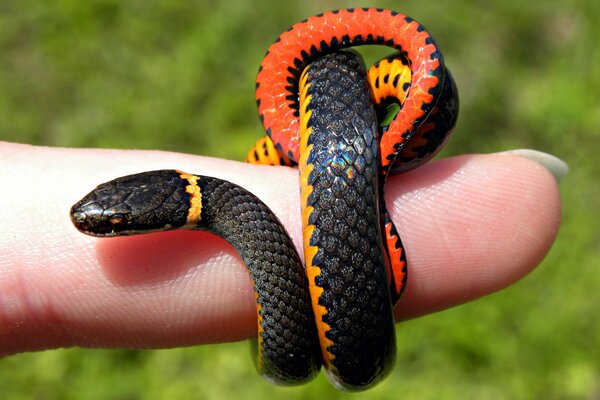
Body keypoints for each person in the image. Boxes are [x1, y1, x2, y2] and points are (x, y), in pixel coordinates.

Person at [0, 141, 566, 356]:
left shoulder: (240, 213)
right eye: (116, 218)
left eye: (117, 220)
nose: (107, 224)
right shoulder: (241, 217)